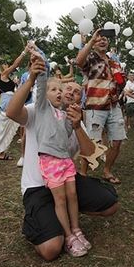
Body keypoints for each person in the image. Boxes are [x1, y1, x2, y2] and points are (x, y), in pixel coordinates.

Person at [6, 59, 119, 261]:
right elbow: (12, 112)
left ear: (79, 100)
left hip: (66, 180)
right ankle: (43, 223)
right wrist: (32, 77)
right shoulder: (37, 110)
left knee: (110, 204)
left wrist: (77, 126)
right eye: (65, 88)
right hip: (38, 187)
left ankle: (68, 217)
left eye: (76, 92)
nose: (68, 92)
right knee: (51, 249)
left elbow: (90, 154)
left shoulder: (73, 119)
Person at [32, 50, 90, 256]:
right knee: (61, 200)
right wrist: (40, 63)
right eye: (54, 89)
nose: (58, 92)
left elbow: (68, 138)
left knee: (73, 195)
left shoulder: (65, 114)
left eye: (60, 89)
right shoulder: (42, 109)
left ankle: (77, 229)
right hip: (50, 162)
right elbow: (40, 85)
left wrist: (74, 121)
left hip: (66, 160)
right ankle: (68, 237)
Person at [76, 29, 127, 184]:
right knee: (91, 142)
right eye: (99, 39)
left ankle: (106, 171)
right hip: (95, 106)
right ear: (94, 43)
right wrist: (90, 41)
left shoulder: (114, 62)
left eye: (105, 39)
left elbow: (120, 82)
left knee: (117, 140)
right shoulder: (90, 58)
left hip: (113, 106)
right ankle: (83, 174)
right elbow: (78, 61)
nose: (103, 41)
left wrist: (119, 89)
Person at [0, 45, 31, 160]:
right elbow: (15, 65)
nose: (7, 65)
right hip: (7, 103)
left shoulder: (6, 78)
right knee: (3, 129)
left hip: (9, 100)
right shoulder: (3, 75)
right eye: (5, 64)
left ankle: (1, 151)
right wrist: (24, 52)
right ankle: (0, 152)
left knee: (5, 128)